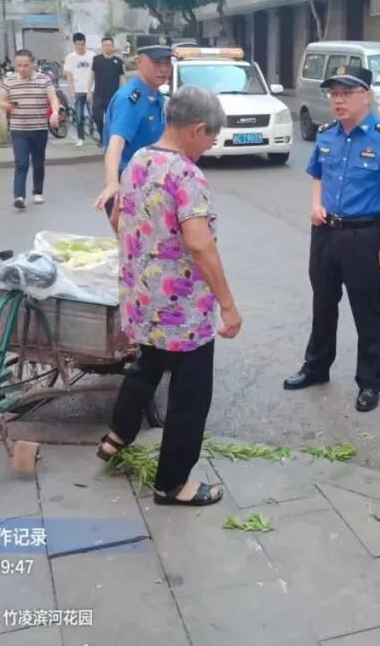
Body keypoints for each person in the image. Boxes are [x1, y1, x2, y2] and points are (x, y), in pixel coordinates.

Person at [96, 85, 242, 507]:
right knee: (189, 397)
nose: (211, 144)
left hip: (143, 300)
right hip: (183, 312)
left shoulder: (138, 160)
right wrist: (228, 306)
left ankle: (116, 437)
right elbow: (199, 243)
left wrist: (146, 256)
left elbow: (119, 219)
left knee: (146, 366)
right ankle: (173, 484)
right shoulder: (186, 174)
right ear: (196, 129)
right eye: (212, 136)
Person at [284, 65, 380, 413]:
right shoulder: (327, 134)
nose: (338, 101)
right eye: (334, 94)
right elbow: (317, 175)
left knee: (367, 310)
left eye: (346, 93)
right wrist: (315, 205)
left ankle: (370, 382)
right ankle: (316, 367)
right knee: (323, 303)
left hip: (364, 235)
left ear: (366, 96)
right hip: (325, 233)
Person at [93, 44, 174, 231]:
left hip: (151, 185)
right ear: (139, 62)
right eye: (157, 62)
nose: (163, 69)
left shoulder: (156, 96)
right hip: (130, 187)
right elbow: (116, 143)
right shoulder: (129, 100)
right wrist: (112, 183)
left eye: (167, 62)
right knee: (138, 244)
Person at [1, 48, 62, 211]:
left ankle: (37, 191)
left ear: (32, 63)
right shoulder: (9, 81)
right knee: (21, 162)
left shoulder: (44, 80)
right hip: (18, 128)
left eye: (25, 65)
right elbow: (1, 101)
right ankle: (19, 196)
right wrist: (10, 105)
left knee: (38, 162)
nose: (22, 69)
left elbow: (53, 99)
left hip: (39, 128)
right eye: (18, 66)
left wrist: (55, 113)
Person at [89, 36, 126, 146]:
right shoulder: (96, 60)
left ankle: (111, 138)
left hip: (113, 96)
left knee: (113, 119)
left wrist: (124, 93)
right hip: (98, 95)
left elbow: (122, 78)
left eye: (109, 45)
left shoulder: (118, 61)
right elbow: (91, 76)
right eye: (105, 45)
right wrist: (88, 90)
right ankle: (102, 136)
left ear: (112, 46)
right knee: (97, 117)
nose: (107, 48)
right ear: (102, 46)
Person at [63, 32, 93, 147]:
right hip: (78, 90)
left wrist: (92, 89)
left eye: (82, 44)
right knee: (79, 116)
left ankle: (95, 132)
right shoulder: (70, 57)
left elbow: (95, 73)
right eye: (78, 44)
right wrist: (71, 90)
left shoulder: (92, 55)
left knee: (94, 114)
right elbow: (69, 75)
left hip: (91, 89)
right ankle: (81, 138)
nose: (81, 46)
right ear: (74, 44)